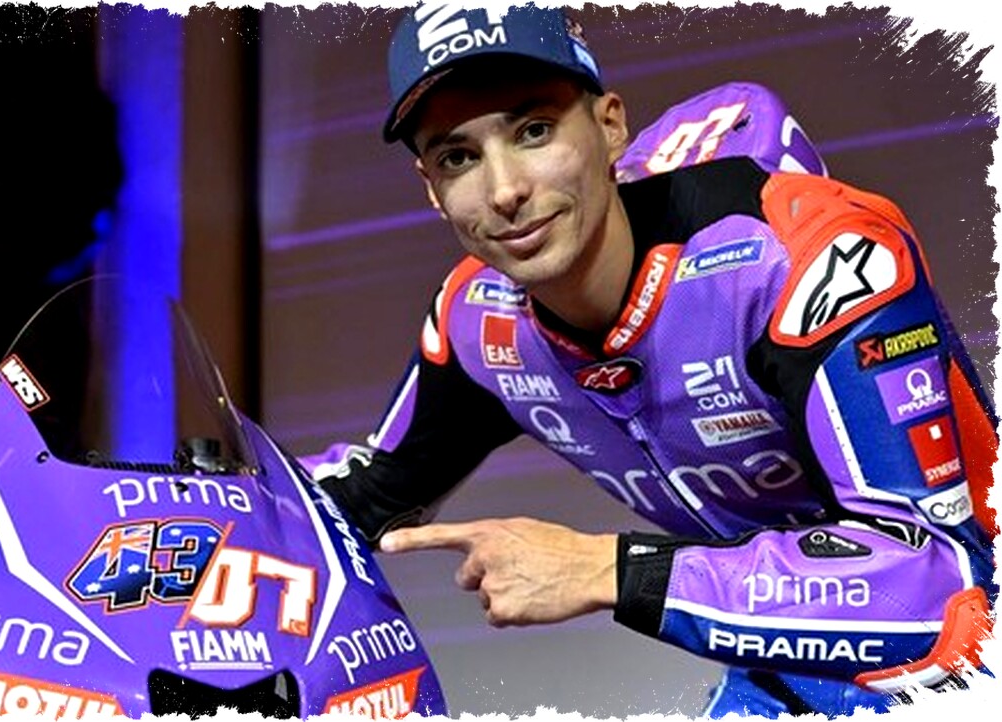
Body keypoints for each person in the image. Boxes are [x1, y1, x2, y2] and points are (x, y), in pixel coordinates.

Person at [300, 4, 998, 717]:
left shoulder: (801, 260)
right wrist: (226, 498)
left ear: (610, 125)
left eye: (534, 130)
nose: (504, 191)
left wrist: (603, 569)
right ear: (430, 188)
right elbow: (363, 495)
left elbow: (940, 588)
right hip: (784, 663)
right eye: (459, 157)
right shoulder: (477, 321)